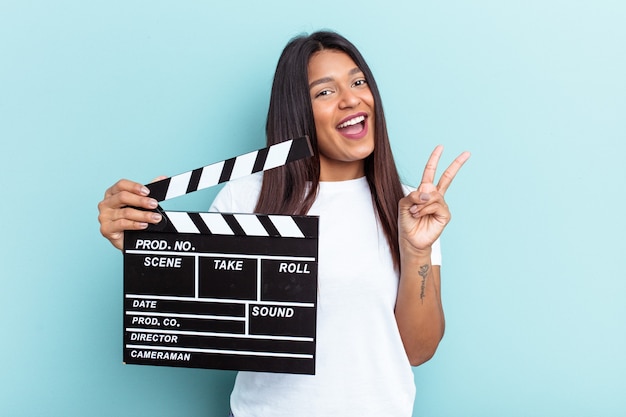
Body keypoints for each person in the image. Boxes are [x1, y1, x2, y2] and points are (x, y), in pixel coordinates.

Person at [98, 30, 470, 417]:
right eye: (324, 92)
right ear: (298, 112)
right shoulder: (247, 198)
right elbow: (198, 308)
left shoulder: (410, 207)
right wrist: (142, 242)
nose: (350, 99)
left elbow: (419, 350)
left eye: (358, 82)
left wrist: (417, 250)